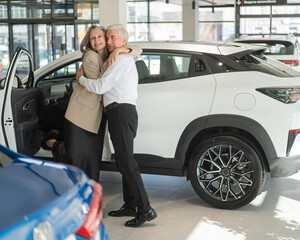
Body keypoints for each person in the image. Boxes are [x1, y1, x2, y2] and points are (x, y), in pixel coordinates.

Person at [77, 24, 157, 227]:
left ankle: (145, 209)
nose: (110, 42)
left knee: (127, 163)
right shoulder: (120, 56)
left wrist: (82, 79)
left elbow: (102, 86)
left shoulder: (120, 59)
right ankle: (130, 205)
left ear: (123, 41)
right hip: (121, 113)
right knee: (123, 161)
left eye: (113, 38)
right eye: (108, 38)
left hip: (121, 113)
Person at [42, 25, 142, 182]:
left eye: (100, 37)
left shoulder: (112, 53)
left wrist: (120, 50)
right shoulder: (90, 56)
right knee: (77, 154)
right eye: (92, 38)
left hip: (97, 114)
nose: (97, 40)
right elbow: (99, 84)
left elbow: (138, 49)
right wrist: (117, 56)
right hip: (82, 112)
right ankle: (55, 146)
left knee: (90, 156)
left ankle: (89, 188)